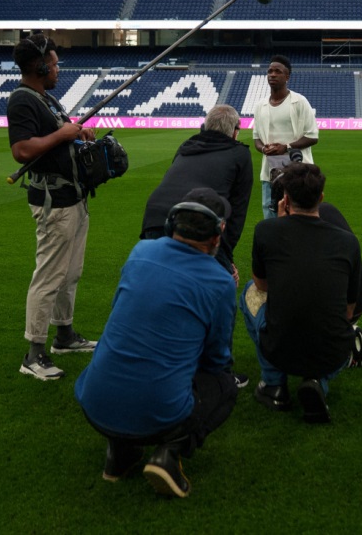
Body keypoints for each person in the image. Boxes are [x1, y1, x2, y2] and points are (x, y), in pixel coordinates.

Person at [74, 189, 239, 498]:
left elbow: (120, 310)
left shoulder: (141, 251)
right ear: (218, 235)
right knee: (225, 385)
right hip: (159, 414)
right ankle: (169, 453)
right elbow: (216, 359)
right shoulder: (220, 282)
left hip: (93, 404)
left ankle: (120, 452)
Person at [240, 163, 362, 423]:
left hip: (280, 346)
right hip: (333, 352)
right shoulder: (348, 242)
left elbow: (262, 285)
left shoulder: (266, 231)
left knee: (249, 292)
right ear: (321, 198)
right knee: (331, 322)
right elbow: (349, 311)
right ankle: (317, 381)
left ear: (285, 199)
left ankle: (274, 384)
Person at [7, 33, 97, 381]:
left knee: (70, 273)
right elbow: (21, 151)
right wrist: (62, 135)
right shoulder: (22, 100)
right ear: (40, 66)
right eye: (54, 64)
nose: (58, 69)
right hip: (53, 202)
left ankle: (65, 336)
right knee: (48, 276)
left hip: (74, 197)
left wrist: (76, 134)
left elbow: (59, 138)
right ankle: (34, 353)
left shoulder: (47, 99)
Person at [140, 104, 253, 281]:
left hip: (155, 217)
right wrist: (226, 257)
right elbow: (238, 211)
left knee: (158, 281)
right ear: (234, 131)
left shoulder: (188, 145)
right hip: (197, 221)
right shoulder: (240, 154)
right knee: (216, 285)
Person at [252, 54, 319, 219]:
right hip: (270, 173)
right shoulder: (260, 106)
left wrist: (286, 147)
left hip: (298, 173)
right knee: (270, 217)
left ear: (287, 76)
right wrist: (263, 148)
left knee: (297, 217)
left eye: (277, 71)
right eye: (270, 71)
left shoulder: (300, 102)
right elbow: (256, 138)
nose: (272, 74)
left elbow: (312, 136)